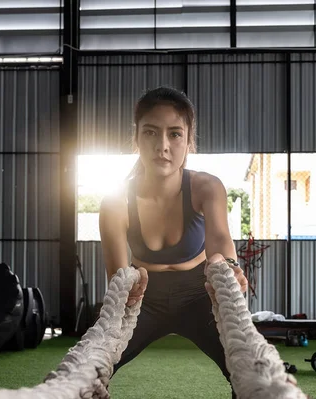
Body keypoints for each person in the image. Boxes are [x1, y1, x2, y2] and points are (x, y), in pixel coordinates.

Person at [98, 86, 248, 398]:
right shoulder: (114, 201)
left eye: (175, 134)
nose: (162, 146)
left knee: (247, 370)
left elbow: (219, 239)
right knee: (89, 371)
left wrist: (230, 268)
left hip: (199, 294)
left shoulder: (207, 187)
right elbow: (117, 273)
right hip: (144, 299)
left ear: (189, 140)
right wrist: (126, 290)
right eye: (151, 133)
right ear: (136, 138)